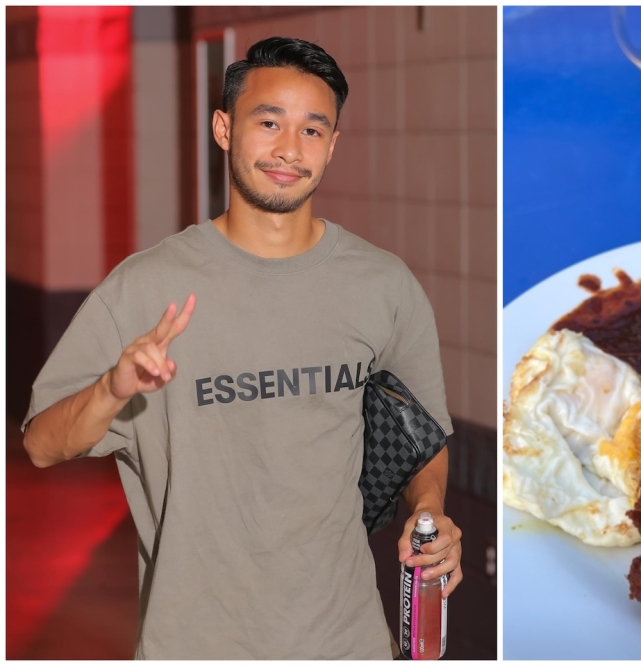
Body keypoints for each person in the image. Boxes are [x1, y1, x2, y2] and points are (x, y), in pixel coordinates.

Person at [22, 36, 462, 659]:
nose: (290, 150)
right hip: (194, 643)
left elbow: (424, 439)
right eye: (269, 122)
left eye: (313, 130)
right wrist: (111, 390)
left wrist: (431, 510)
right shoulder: (143, 288)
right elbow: (41, 445)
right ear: (224, 129)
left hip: (346, 640)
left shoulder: (383, 286)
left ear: (333, 144)